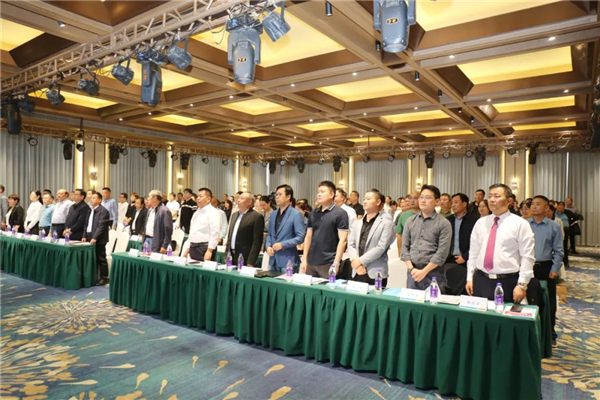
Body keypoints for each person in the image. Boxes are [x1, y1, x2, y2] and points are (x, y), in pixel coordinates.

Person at [466, 184, 535, 304]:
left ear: (508, 201)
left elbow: (527, 256)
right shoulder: (481, 223)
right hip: (481, 279)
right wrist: (469, 278)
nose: (492, 200)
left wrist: (522, 284)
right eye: (490, 196)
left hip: (508, 281)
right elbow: (473, 253)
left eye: (497, 196)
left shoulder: (520, 224)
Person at [401, 185, 452, 291]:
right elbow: (404, 247)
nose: (423, 200)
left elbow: (442, 253)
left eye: (427, 198)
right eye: (421, 197)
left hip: (433, 273)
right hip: (413, 272)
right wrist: (411, 269)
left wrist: (424, 272)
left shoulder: (444, 223)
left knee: (432, 301)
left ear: (437, 201)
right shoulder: (410, 221)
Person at [529, 195, 563, 346]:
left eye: (538, 204)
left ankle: (550, 333)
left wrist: (555, 269)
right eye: (532, 204)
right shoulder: (524, 224)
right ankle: (530, 332)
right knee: (528, 299)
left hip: (545, 267)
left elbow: (559, 251)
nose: (534, 207)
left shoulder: (554, 226)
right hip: (527, 266)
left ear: (546, 208)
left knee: (548, 302)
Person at [347, 189, 396, 286]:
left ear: (378, 202)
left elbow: (381, 247)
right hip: (356, 270)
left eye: (368, 199)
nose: (365, 201)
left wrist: (360, 261)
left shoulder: (386, 223)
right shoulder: (357, 222)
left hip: (375, 272)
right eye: (364, 199)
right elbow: (351, 244)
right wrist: (356, 262)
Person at [301, 181, 349, 278]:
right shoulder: (314, 213)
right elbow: (308, 237)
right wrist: (304, 259)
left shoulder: (340, 213)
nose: (319, 194)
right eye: (318, 192)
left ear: (331, 194)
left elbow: (343, 240)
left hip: (328, 262)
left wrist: (336, 263)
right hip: (311, 262)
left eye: (322, 192)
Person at [265, 184, 306, 273]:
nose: (277, 197)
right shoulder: (273, 214)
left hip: (288, 260)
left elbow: (300, 237)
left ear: (288, 197)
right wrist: (268, 246)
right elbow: (270, 234)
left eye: (280, 194)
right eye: (276, 195)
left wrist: (282, 245)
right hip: (273, 259)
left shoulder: (296, 214)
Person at [445, 193, 479, 295]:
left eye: (456, 202)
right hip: (449, 260)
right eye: (452, 203)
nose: (453, 205)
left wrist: (465, 256)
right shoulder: (448, 220)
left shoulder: (474, 220)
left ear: (464, 204)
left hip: (466, 260)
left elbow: (478, 243)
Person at [225, 192, 264, 267]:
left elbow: (257, 242)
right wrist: (227, 254)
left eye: (242, 198)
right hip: (231, 254)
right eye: (238, 198)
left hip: (245, 256)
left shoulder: (256, 217)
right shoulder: (234, 215)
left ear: (249, 202)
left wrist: (251, 261)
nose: (238, 200)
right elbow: (230, 236)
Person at [82, 191, 110, 285]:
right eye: (91, 198)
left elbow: (101, 226)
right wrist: (84, 235)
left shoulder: (103, 211)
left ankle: (104, 278)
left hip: (99, 238)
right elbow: (86, 224)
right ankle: (95, 277)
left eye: (94, 198)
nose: (91, 199)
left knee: (101, 258)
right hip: (89, 236)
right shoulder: (90, 210)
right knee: (92, 258)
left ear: (100, 200)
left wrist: (95, 237)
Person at [185, 188, 221, 262]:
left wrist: (210, 250)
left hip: (204, 247)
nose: (198, 198)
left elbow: (215, 232)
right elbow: (192, 231)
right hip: (193, 247)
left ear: (208, 199)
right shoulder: (196, 213)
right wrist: (188, 248)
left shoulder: (213, 212)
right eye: (197, 196)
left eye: (200, 196)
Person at [396, 191, 420, 255]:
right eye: (410, 198)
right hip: (407, 252)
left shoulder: (426, 215)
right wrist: (400, 253)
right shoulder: (403, 215)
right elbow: (399, 235)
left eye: (415, 198)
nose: (412, 201)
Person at [556, 202, 575, 268]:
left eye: (562, 208)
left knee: (564, 246)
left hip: (565, 230)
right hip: (556, 230)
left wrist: (570, 223)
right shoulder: (554, 213)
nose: (560, 210)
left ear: (564, 208)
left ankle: (565, 262)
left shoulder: (567, 212)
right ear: (557, 207)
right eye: (559, 208)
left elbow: (575, 217)